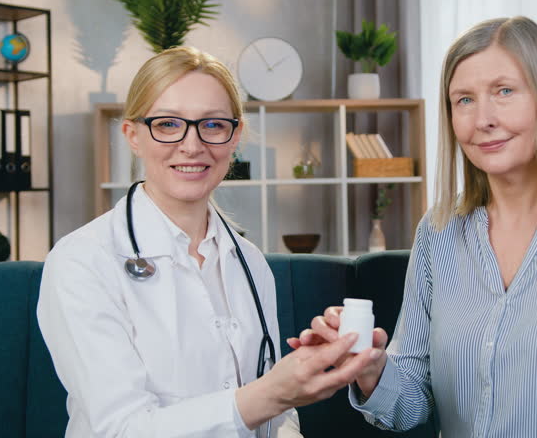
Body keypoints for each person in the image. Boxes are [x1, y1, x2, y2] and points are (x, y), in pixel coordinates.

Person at [292, 17, 537, 436]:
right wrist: (371, 369)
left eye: (504, 91)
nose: (483, 119)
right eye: (463, 99)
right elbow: (409, 404)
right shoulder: (439, 231)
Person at [37, 46, 377, 437]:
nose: (192, 145)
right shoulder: (82, 261)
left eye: (213, 125)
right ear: (133, 135)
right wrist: (272, 392)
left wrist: (298, 388)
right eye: (167, 124)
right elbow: (121, 429)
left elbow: (275, 419)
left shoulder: (249, 263)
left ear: (236, 137)